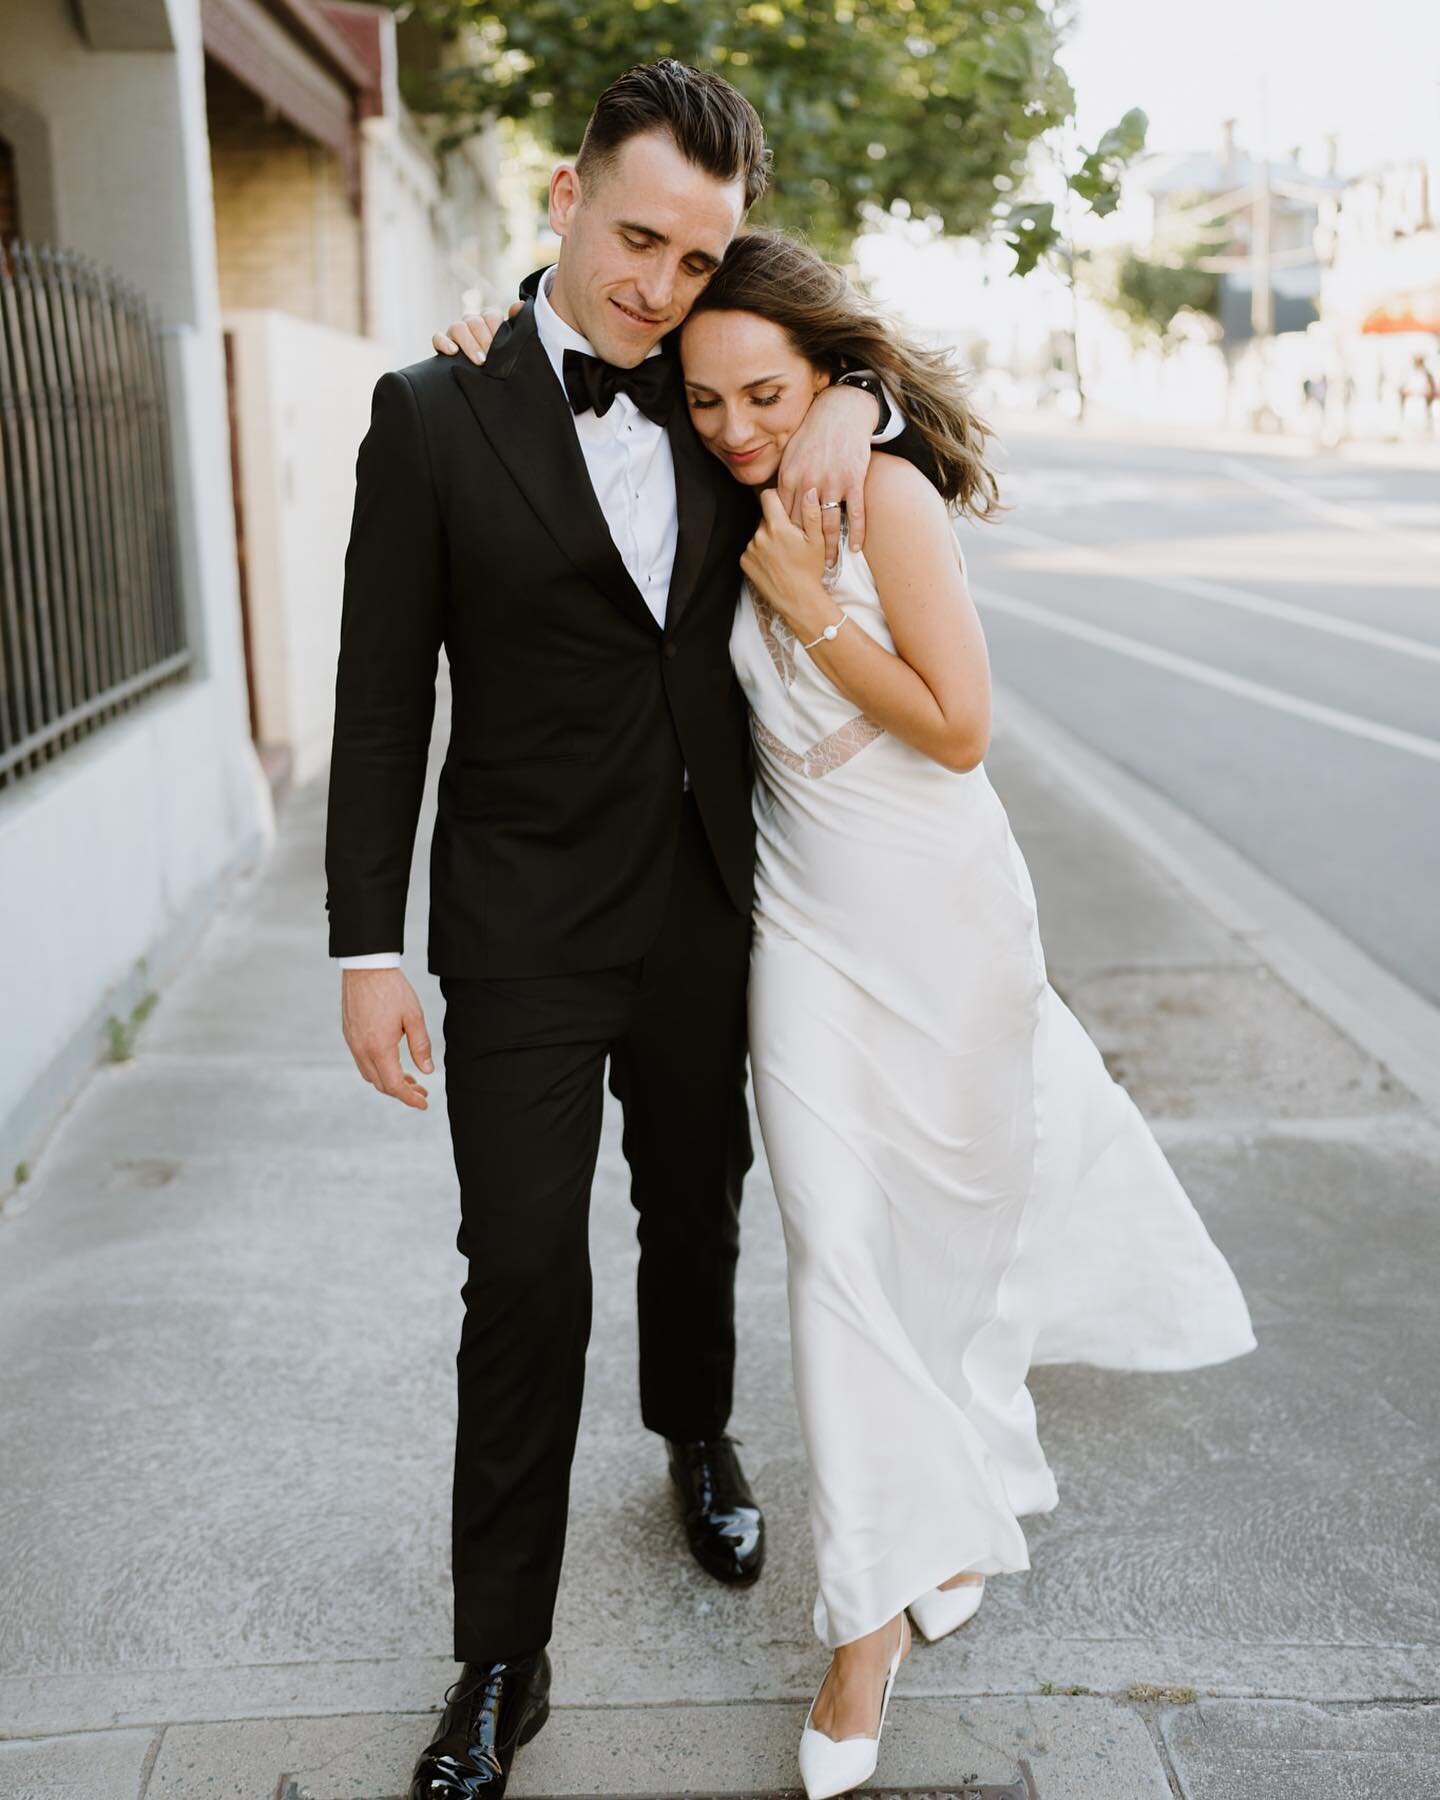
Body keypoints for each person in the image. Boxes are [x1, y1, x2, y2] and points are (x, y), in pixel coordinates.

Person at [440, 227, 1256, 1799]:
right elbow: (566, 414)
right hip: (803, 934)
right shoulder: (719, 477)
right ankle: (862, 1631)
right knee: (838, 1256)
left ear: (826, 374)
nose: (738, 426)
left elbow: (959, 730)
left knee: (942, 1254)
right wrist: (490, 330)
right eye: (710, 399)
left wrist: (815, 590)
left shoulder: (873, 492)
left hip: (945, 922)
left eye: (770, 393)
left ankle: (936, 1505)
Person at [327, 61, 932, 1800]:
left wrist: (855, 408)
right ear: (564, 193)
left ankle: (693, 1433)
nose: (660, 289)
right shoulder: (429, 414)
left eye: (696, 257)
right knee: (520, 1269)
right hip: (515, 919)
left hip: (705, 894)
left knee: (697, 1201)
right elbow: (381, 707)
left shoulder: (710, 387)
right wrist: (366, 947)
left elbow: (833, 371)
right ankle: (500, 1657)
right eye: (639, 239)